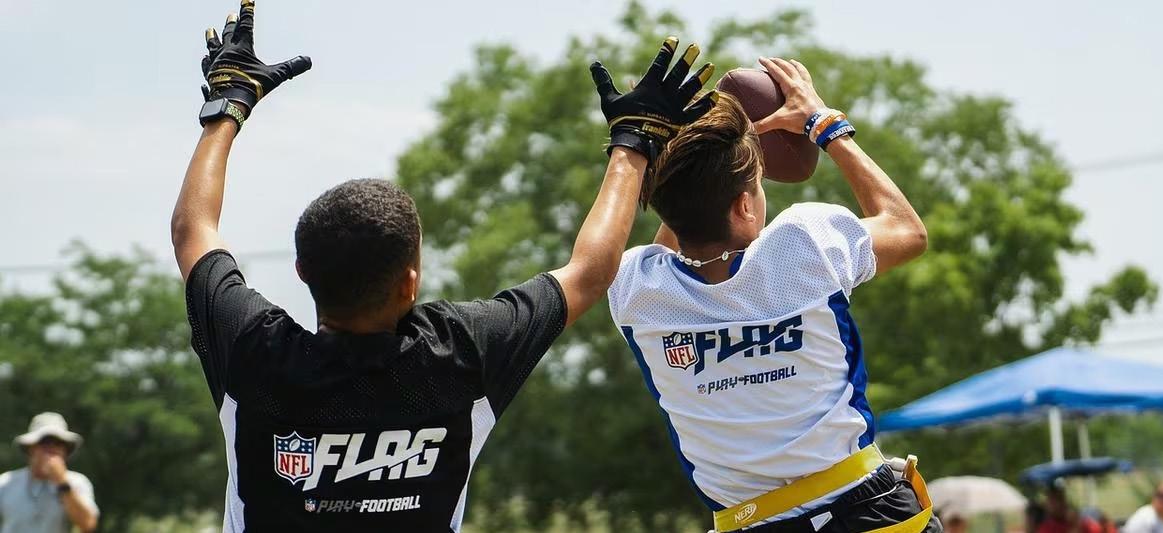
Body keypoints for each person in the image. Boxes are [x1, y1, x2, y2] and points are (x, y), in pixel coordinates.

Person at [171, 1, 717, 531]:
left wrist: (228, 105)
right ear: (410, 282)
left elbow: (193, 232)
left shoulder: (256, 354)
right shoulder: (460, 353)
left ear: (301, 271)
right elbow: (590, 272)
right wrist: (632, 142)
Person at [606, 56, 934, 532]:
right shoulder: (803, 244)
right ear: (744, 206)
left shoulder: (636, 290)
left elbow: (677, 228)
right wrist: (824, 123)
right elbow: (907, 231)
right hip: (865, 511)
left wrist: (686, 155)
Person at [0, 413, 99, 533]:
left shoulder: (77, 482)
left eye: (58, 443)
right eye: (44, 442)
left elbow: (87, 524)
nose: (51, 449)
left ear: (65, 451)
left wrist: (62, 483)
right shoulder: (6, 482)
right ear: (30, 448)